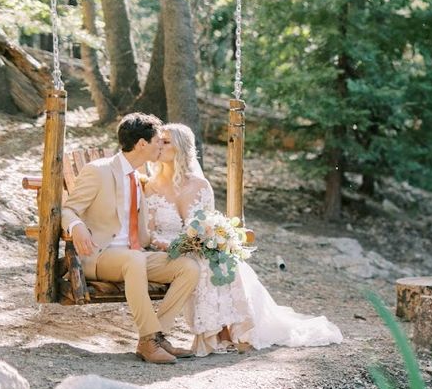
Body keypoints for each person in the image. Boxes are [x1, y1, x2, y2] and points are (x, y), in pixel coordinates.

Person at [144, 123, 343, 355]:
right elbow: (149, 232)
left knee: (221, 261)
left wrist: (207, 239)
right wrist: (170, 244)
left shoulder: (201, 186)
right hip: (170, 252)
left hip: (198, 248)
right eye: (159, 141)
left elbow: (208, 224)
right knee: (203, 263)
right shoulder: (150, 187)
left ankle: (232, 330)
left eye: (166, 142)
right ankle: (215, 333)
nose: (159, 145)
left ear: (180, 147)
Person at [61, 113, 198, 364]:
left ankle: (158, 335)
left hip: (133, 255)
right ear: (142, 144)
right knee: (134, 260)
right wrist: (77, 225)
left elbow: (143, 234)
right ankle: (148, 341)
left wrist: (172, 243)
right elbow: (68, 209)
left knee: (188, 267)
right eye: (158, 141)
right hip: (98, 255)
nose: (161, 145)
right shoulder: (98, 171)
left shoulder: (137, 177)